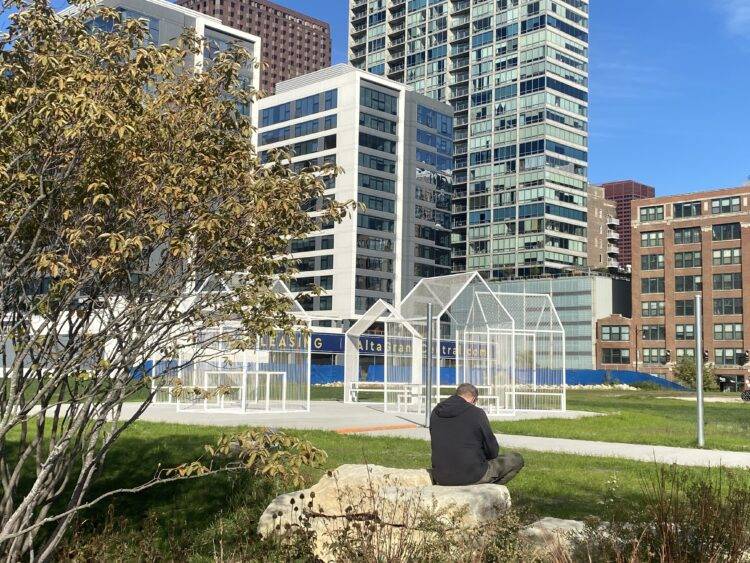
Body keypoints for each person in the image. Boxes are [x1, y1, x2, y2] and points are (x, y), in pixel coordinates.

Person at [429, 382, 524, 486]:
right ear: (474, 399)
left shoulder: (436, 412)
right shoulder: (477, 413)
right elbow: (493, 451)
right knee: (516, 459)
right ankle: (488, 492)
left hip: (441, 476)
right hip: (472, 475)